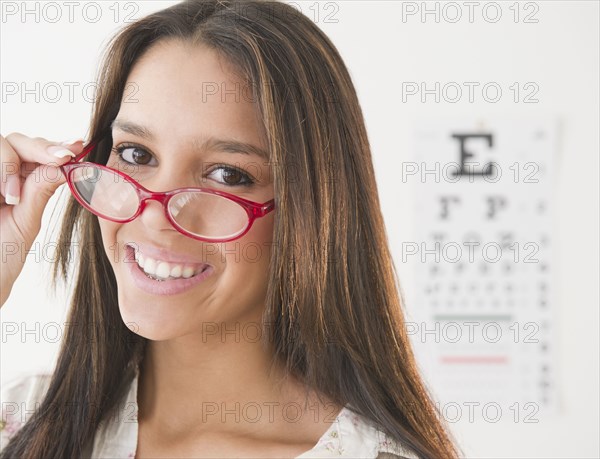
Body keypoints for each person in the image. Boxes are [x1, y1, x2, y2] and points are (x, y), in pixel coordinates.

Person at [0, 1, 461, 457]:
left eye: (227, 174)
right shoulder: (20, 423)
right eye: (137, 154)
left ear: (309, 212)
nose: (156, 215)